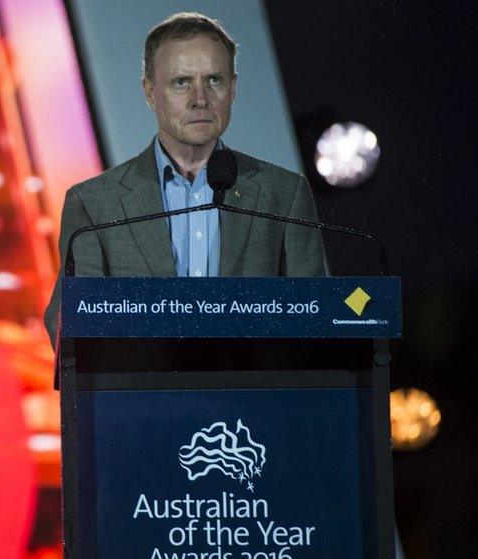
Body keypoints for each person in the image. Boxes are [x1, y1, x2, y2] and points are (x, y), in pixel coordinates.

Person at [43, 12, 326, 346]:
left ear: (233, 89)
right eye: (181, 82)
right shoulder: (94, 205)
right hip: (143, 395)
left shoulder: (284, 193)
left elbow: (315, 318)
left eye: (214, 80)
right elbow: (73, 325)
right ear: (150, 92)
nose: (200, 99)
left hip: (254, 393)